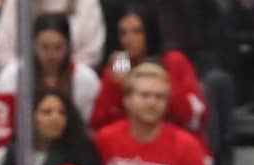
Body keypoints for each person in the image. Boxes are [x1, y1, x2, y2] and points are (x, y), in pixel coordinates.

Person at [88, 3, 209, 142]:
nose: (129, 39)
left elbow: (195, 118)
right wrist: (117, 85)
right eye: (123, 33)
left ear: (150, 32)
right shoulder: (121, 63)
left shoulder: (173, 61)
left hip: (174, 142)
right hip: (129, 145)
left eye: (137, 32)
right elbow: (99, 122)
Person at [0, 13, 100, 152]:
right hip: (21, 153)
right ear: (33, 45)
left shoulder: (86, 79)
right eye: (45, 47)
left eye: (58, 47)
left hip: (72, 153)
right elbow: (1, 131)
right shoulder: (12, 76)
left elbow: (91, 129)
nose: (51, 54)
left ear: (69, 46)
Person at [0, 0, 106, 73]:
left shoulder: (87, 2)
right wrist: (34, 76)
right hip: (24, 81)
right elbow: (1, 53)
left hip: (71, 80)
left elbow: (92, 54)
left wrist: (59, 76)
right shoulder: (17, 2)